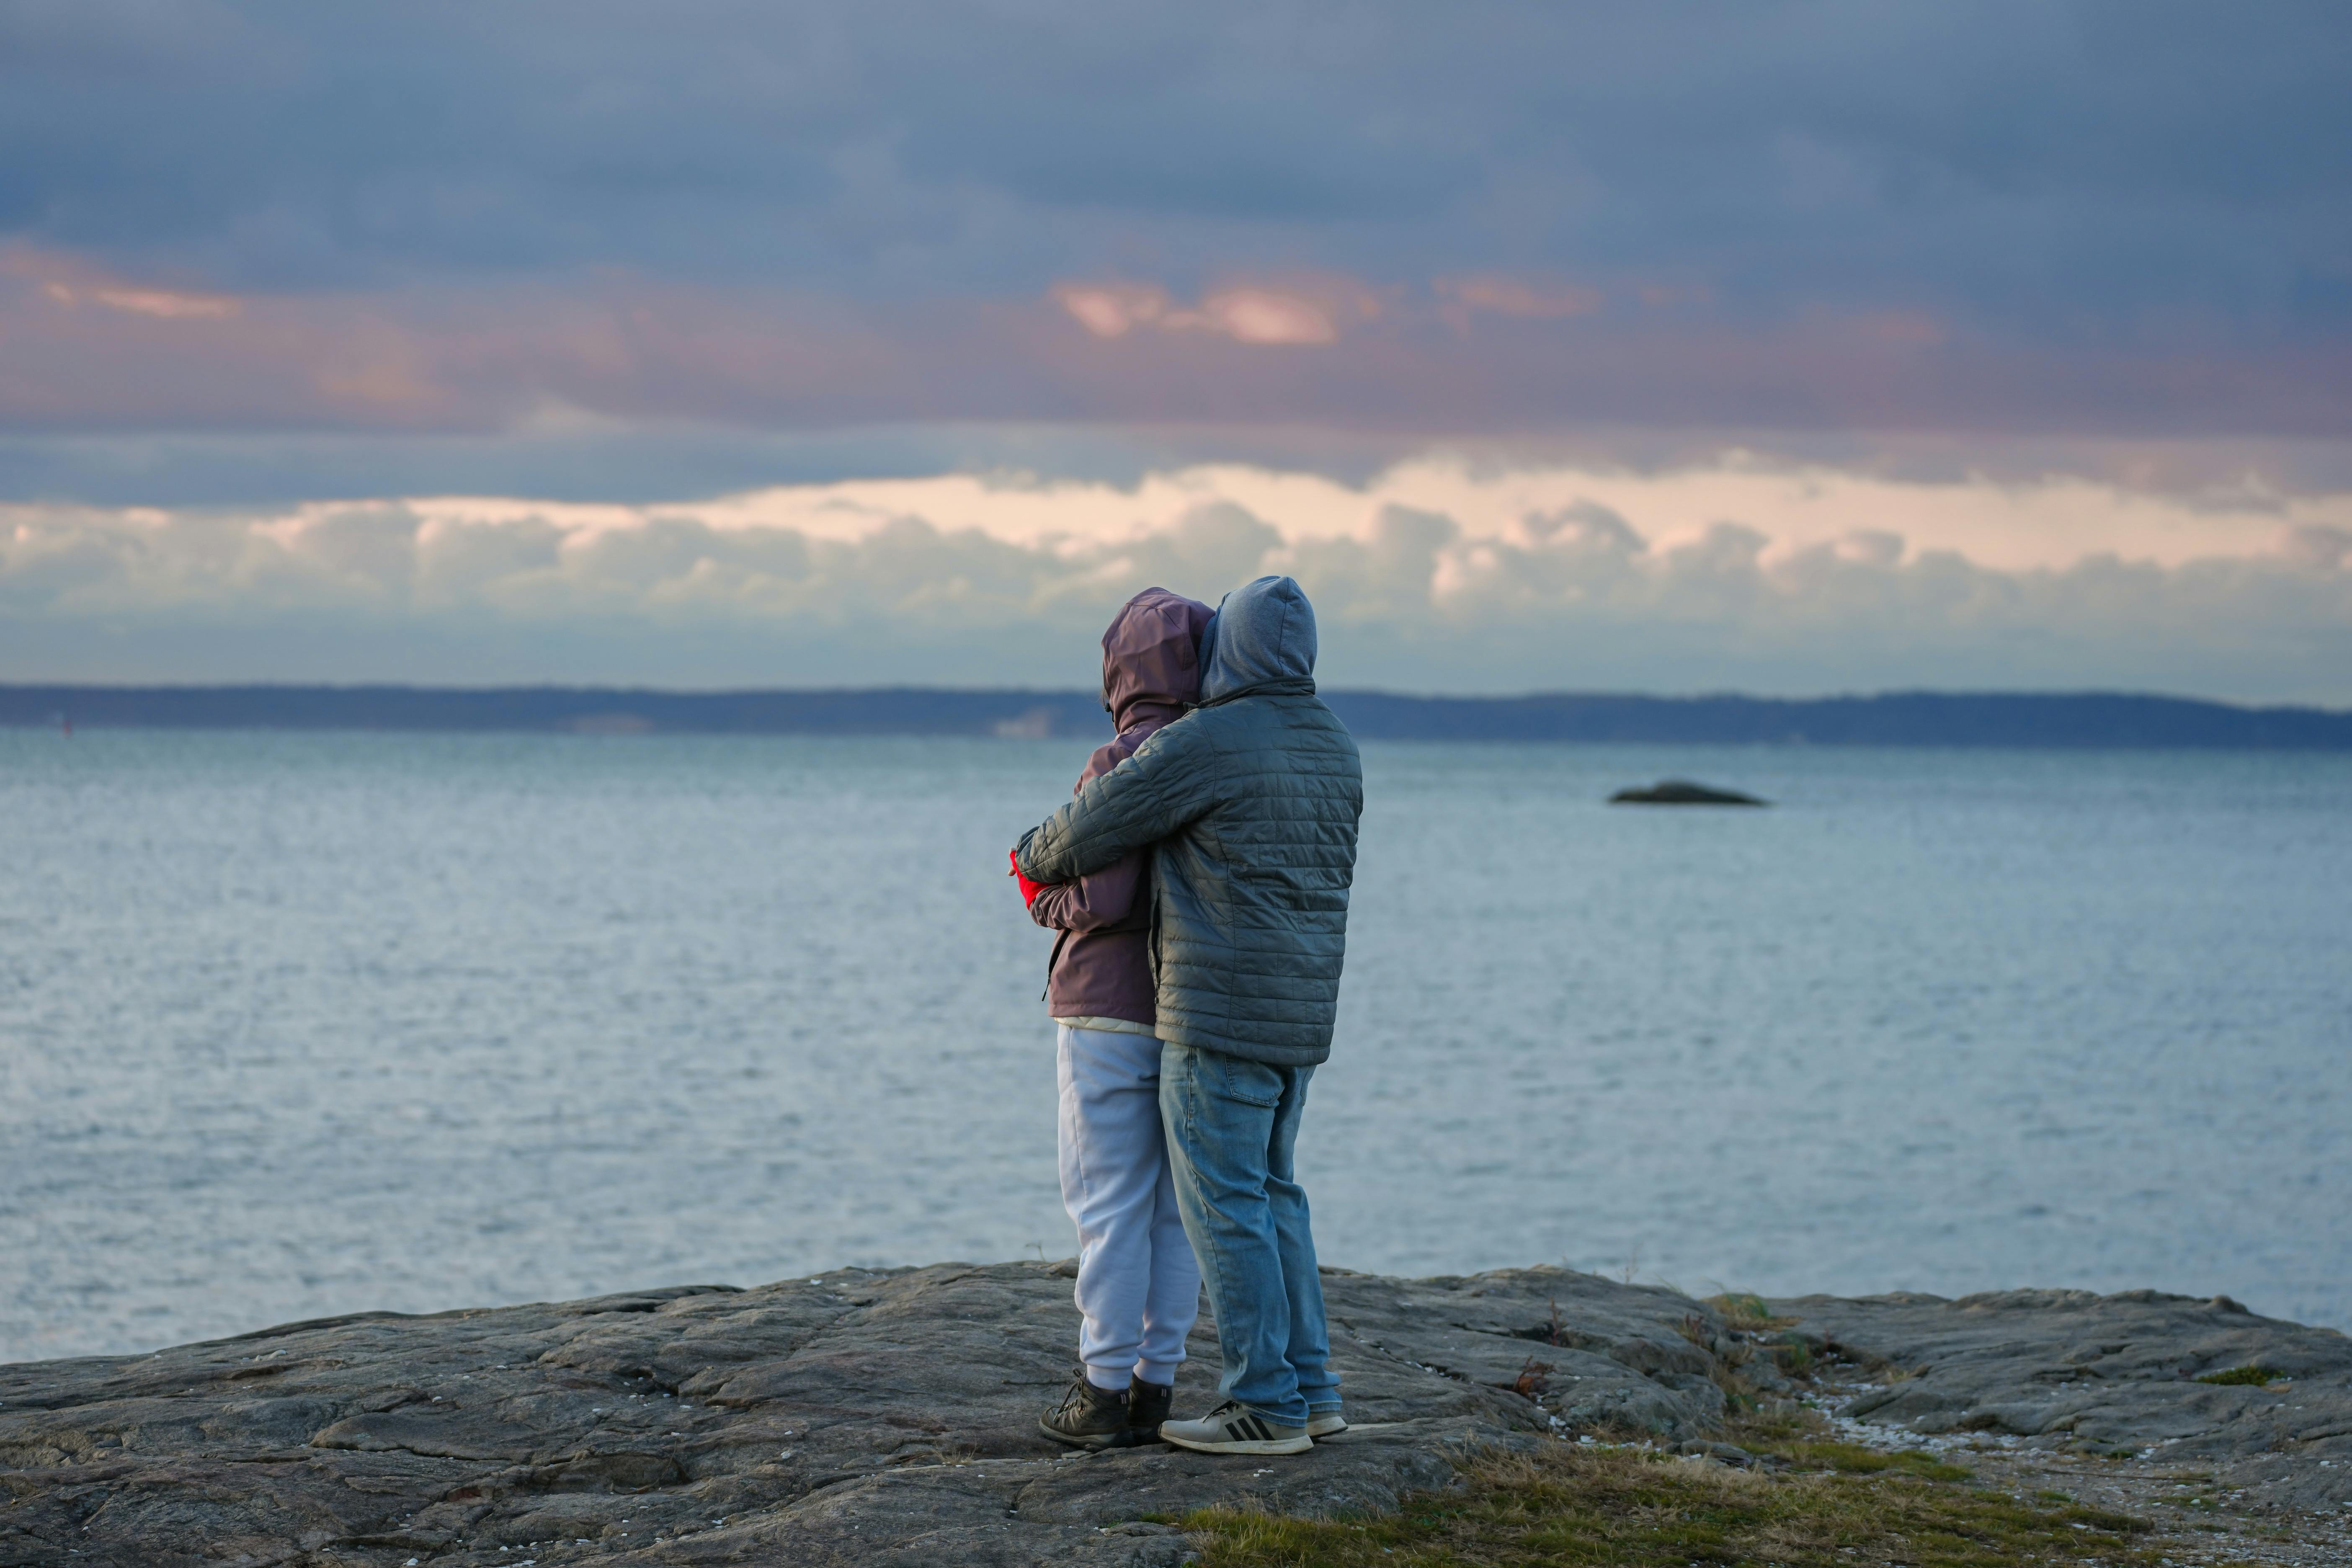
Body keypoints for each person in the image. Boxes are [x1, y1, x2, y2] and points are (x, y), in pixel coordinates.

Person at [1014, 575, 1362, 1457]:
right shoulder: (1335, 744)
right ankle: (1313, 1391)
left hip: (1215, 1014)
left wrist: (1027, 860)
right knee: (1273, 1193)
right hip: (1301, 1017)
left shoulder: (1214, 740)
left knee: (1219, 1205)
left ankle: (1265, 1404)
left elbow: (1088, 833)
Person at [1013, 586, 1215, 1450]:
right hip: (1191, 1009)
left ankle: (1098, 1390)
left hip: (1104, 1010)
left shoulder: (1116, 763)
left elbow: (1098, 896)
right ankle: (1154, 1388)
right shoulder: (1220, 755)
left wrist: (1034, 894)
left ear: (1118, 672)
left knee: (1106, 1204)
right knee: (1174, 1208)